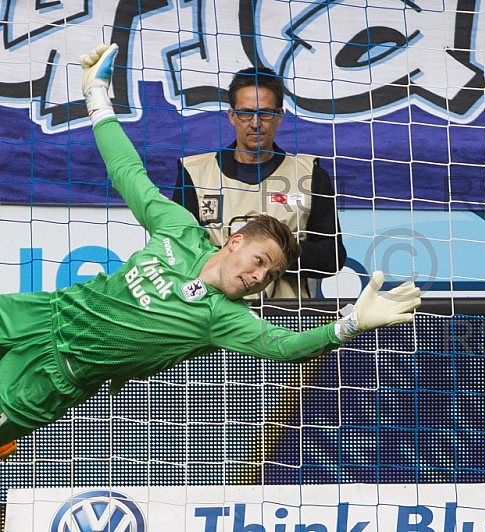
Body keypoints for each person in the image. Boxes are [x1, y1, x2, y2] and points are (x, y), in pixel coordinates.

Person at [0, 43, 419, 460]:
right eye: (259, 262)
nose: (259, 277)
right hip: (38, 312)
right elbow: (126, 171)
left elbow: (287, 346)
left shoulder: (222, 317)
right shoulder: (179, 228)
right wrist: (97, 95)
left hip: (53, 373)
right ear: (234, 240)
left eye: (270, 275)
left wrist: (349, 326)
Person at [172, 65, 346, 299]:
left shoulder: (309, 175)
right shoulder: (195, 173)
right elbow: (179, 253)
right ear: (232, 116)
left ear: (280, 116)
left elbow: (333, 257)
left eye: (265, 113)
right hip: (212, 316)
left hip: (286, 319)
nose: (255, 123)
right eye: (245, 113)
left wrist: (271, 253)